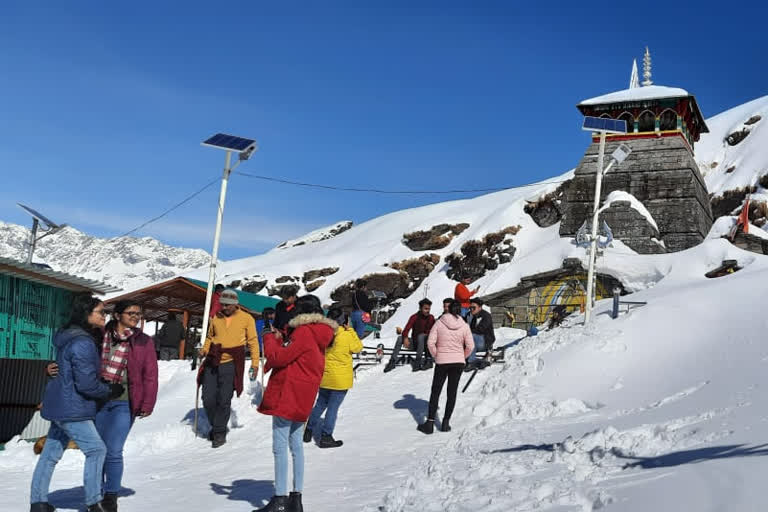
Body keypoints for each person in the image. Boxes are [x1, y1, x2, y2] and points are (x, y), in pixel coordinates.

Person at [30, 293, 123, 512]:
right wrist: (109, 390)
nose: (104, 315)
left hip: (59, 403)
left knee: (50, 453)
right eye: (100, 312)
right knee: (97, 450)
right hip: (73, 406)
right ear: (86, 314)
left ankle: (38, 502)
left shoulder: (68, 336)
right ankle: (94, 503)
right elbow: (86, 384)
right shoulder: (83, 342)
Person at [256, 295, 336, 512]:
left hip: (288, 394)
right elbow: (296, 354)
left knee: (280, 447)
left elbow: (279, 357)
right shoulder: (321, 334)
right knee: (296, 446)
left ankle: (280, 498)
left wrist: (268, 337)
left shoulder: (303, 331)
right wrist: (282, 337)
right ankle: (296, 498)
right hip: (304, 396)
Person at [95, 300, 158, 512]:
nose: (135, 317)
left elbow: (150, 375)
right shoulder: (100, 335)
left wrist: (147, 403)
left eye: (138, 313)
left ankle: (110, 496)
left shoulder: (143, 341)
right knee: (98, 450)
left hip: (125, 402)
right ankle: (95, 492)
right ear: (117, 315)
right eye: (130, 313)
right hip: (98, 401)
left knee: (113, 450)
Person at [198, 289, 259, 448]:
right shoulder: (216, 317)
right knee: (208, 398)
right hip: (213, 360)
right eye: (222, 304)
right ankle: (216, 424)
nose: (223, 307)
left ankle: (219, 432)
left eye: (227, 305)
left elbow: (252, 341)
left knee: (224, 400)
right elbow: (210, 337)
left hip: (232, 362)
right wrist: (204, 350)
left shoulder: (247, 319)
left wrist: (255, 363)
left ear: (235, 304)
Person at [304, 307, 363, 448]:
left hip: (325, 376)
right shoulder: (346, 334)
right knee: (333, 408)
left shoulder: (324, 334)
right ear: (343, 321)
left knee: (320, 404)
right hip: (340, 380)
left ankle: (307, 430)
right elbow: (358, 348)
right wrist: (351, 331)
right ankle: (326, 436)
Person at [417, 300, 473, 435]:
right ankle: (446, 422)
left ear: (448, 309)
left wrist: (437, 356)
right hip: (458, 362)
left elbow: (430, 343)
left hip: (442, 361)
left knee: (436, 391)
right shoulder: (464, 325)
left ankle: (430, 423)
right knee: (451, 392)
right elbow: (470, 346)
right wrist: (461, 356)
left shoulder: (439, 322)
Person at [383, 298, 435, 373]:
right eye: (425, 309)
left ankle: (418, 361)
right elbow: (406, 329)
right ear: (420, 308)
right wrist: (405, 338)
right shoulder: (414, 317)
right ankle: (392, 361)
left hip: (426, 346)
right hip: (415, 343)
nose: (427, 311)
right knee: (400, 338)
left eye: (429, 309)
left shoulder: (431, 318)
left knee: (421, 336)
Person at [465, 298, 496, 371]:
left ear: (480, 307)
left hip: (485, 341)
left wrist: (467, 332)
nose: (471, 309)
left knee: (471, 336)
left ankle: (471, 361)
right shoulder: (470, 316)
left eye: (474, 307)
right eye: (470, 307)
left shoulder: (486, 316)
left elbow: (480, 329)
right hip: (474, 341)